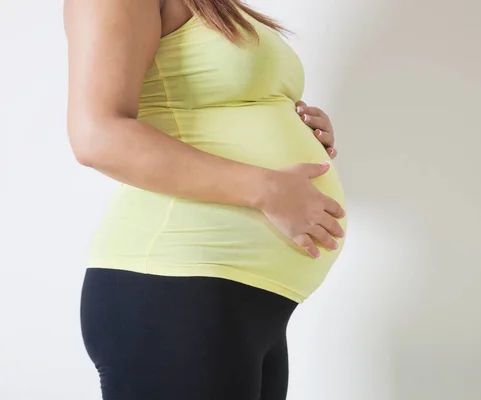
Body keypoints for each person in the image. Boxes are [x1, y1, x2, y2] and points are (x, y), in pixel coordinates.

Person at [64, 0, 347, 398]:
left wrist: (292, 122)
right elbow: (97, 136)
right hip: (176, 283)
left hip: (243, 299)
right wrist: (267, 188)